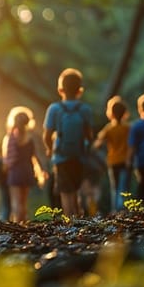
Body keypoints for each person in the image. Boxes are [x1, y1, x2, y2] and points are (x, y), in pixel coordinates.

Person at [43, 68, 93, 218]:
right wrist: (86, 149)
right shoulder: (85, 109)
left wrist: (50, 149)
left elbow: (47, 135)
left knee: (65, 191)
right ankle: (78, 219)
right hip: (79, 155)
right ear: (80, 90)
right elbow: (89, 136)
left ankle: (69, 222)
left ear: (60, 89)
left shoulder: (54, 109)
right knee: (76, 189)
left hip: (61, 156)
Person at [3, 106, 49, 222]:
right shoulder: (30, 138)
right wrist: (42, 170)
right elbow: (36, 157)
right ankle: (23, 223)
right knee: (23, 202)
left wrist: (6, 168)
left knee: (16, 202)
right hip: (28, 171)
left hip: (15, 172)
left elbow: (9, 159)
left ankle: (17, 225)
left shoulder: (11, 137)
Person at [93, 95, 131, 212]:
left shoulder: (109, 128)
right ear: (124, 112)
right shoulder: (128, 127)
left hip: (113, 161)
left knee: (115, 187)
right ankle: (123, 209)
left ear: (111, 113)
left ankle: (115, 210)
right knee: (124, 187)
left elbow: (97, 144)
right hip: (126, 161)